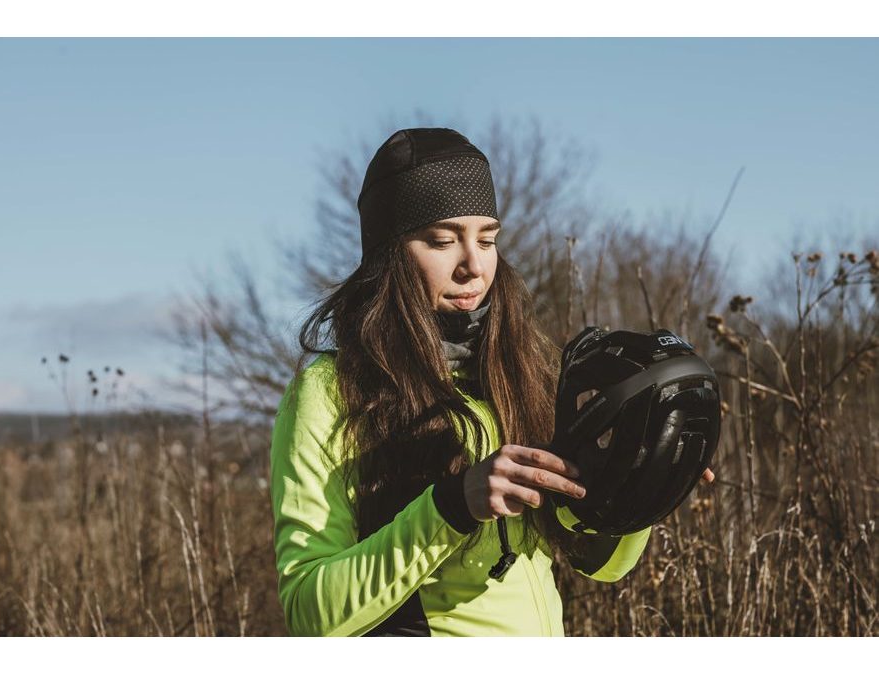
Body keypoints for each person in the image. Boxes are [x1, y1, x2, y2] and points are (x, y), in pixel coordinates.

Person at [270, 128, 663, 637]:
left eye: (487, 239)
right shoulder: (329, 391)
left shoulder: (516, 370)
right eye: (441, 240)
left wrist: (646, 484)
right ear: (388, 253)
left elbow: (599, 564)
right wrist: (452, 505)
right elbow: (309, 615)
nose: (474, 266)